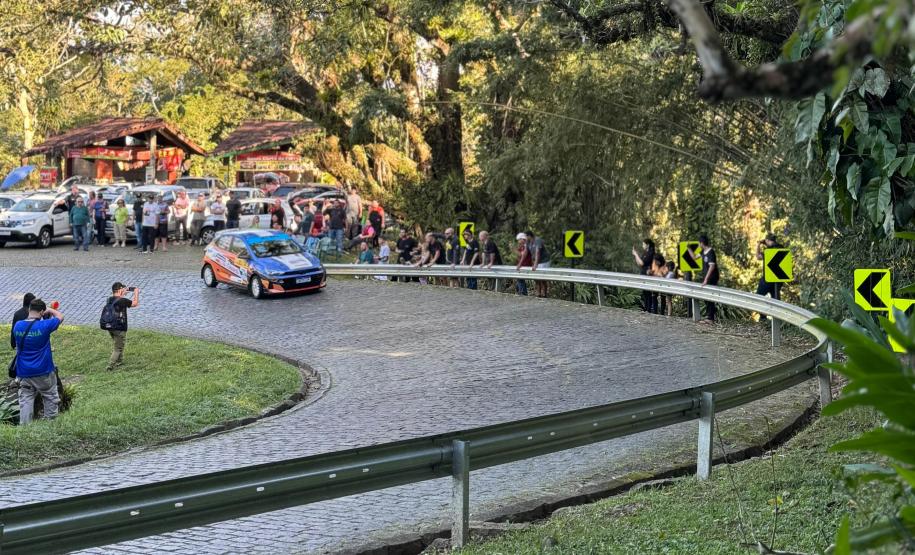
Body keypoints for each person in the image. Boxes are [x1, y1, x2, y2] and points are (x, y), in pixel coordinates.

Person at [12, 298, 64, 425]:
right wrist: (49, 309)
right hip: (43, 371)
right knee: (50, 396)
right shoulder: (44, 326)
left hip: (24, 372)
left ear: (29, 309)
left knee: (25, 399)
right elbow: (60, 316)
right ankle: (50, 425)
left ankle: (25, 428)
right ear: (42, 312)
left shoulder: (18, 326)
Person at [102, 282, 140, 371]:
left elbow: (118, 304)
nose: (125, 290)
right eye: (123, 289)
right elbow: (135, 303)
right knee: (118, 348)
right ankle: (110, 366)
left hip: (110, 326)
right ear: (119, 290)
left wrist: (124, 292)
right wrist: (136, 293)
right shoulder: (122, 301)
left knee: (119, 343)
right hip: (119, 327)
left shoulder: (109, 299)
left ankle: (119, 361)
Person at [688, 233, 720, 323]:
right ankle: (710, 316)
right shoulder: (703, 252)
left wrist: (706, 279)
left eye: (699, 243)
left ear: (702, 243)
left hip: (712, 277)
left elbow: (712, 266)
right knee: (706, 297)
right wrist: (689, 249)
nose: (698, 245)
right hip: (706, 277)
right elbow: (694, 257)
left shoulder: (710, 252)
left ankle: (710, 318)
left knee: (709, 296)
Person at [756, 233, 782, 319]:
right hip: (778, 280)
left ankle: (763, 318)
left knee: (758, 298)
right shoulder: (781, 248)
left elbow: (758, 257)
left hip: (767, 280)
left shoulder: (768, 250)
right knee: (776, 302)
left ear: (767, 240)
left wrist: (759, 244)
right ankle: (776, 321)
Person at [632, 239, 656, 313]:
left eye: (643, 244)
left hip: (648, 275)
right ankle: (646, 308)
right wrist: (635, 255)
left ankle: (648, 309)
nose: (642, 246)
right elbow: (639, 264)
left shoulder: (651, 253)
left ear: (647, 245)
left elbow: (642, 263)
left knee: (648, 293)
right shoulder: (645, 253)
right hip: (643, 274)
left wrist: (636, 254)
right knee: (645, 292)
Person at [525, 231, 550, 298]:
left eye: (526, 236)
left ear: (529, 236)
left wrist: (535, 265)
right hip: (535, 261)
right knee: (536, 278)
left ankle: (544, 293)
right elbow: (525, 253)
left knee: (542, 278)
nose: (525, 238)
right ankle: (538, 293)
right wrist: (520, 263)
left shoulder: (537, 240)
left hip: (543, 261)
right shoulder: (528, 242)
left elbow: (537, 253)